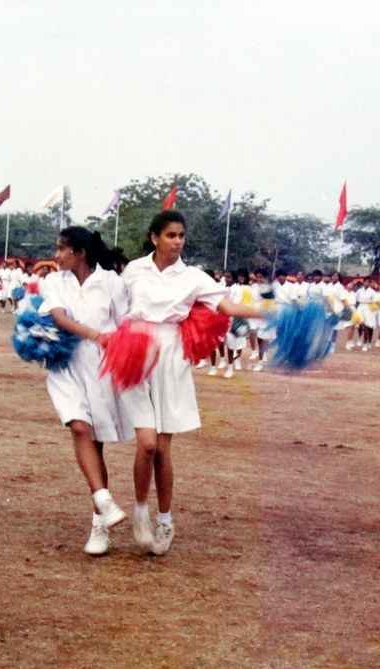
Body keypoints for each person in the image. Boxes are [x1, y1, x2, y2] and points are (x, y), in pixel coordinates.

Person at [119, 211, 266, 555]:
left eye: (181, 235)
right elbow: (115, 307)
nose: (177, 241)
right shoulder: (134, 270)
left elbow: (227, 307)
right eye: (170, 235)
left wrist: (269, 311)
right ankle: (140, 511)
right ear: (154, 237)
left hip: (171, 357)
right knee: (146, 444)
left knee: (163, 447)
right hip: (135, 353)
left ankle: (165, 520)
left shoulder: (194, 277)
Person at [41, 226, 132, 555]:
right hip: (65, 365)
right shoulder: (54, 281)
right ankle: (104, 500)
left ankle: (99, 526)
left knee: (95, 443)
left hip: (100, 369)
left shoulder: (111, 282)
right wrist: (96, 335)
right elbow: (58, 318)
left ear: (79, 253)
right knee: (78, 426)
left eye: (62, 249)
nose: (56, 255)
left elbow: (126, 323)